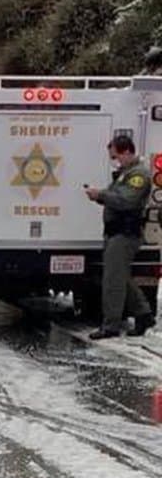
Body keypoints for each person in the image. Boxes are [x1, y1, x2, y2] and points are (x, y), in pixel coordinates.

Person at [84, 134, 156, 339]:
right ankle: (143, 314)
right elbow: (116, 197)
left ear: (127, 152)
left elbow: (127, 200)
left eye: (116, 156)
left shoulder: (138, 175)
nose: (115, 161)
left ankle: (111, 325)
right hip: (116, 231)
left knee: (113, 282)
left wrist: (101, 195)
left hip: (126, 232)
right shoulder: (125, 173)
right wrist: (100, 197)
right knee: (121, 277)